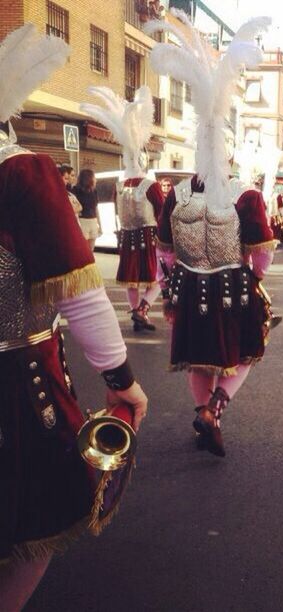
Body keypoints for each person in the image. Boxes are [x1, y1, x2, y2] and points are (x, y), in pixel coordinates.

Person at [0, 24, 147, 610]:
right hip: (16, 389)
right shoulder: (21, 174)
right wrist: (123, 382)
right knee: (35, 519)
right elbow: (81, 294)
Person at [146, 12, 274, 457]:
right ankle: (215, 408)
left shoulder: (176, 194)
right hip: (232, 287)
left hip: (187, 286)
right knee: (246, 352)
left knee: (198, 356)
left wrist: (167, 291)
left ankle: (204, 407)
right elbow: (261, 257)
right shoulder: (246, 196)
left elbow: (163, 252)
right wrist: (254, 276)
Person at [80, 86, 165, 333]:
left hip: (128, 238)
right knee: (158, 276)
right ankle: (143, 309)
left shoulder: (121, 184)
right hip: (148, 238)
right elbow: (161, 213)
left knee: (131, 280)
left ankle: (135, 314)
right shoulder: (150, 185)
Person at [72, 168, 101, 252]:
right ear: (89, 178)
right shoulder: (75, 190)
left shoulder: (94, 191)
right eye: (94, 177)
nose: (95, 179)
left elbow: (96, 208)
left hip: (93, 220)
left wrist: (99, 224)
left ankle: (91, 264)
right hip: (82, 221)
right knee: (83, 249)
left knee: (91, 250)